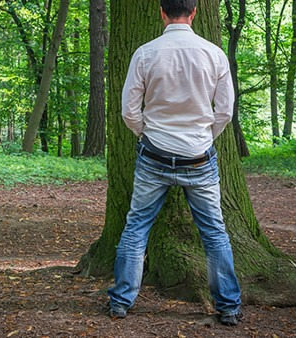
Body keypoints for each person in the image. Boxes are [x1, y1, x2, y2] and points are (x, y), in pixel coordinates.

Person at [107, 0, 243, 326]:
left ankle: (121, 301)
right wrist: (204, 137)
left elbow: (129, 111)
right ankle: (228, 306)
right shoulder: (214, 54)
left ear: (161, 12)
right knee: (214, 233)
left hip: (154, 154)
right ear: (194, 12)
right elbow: (225, 111)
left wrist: (146, 134)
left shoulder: (145, 53)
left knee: (136, 227)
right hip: (199, 157)